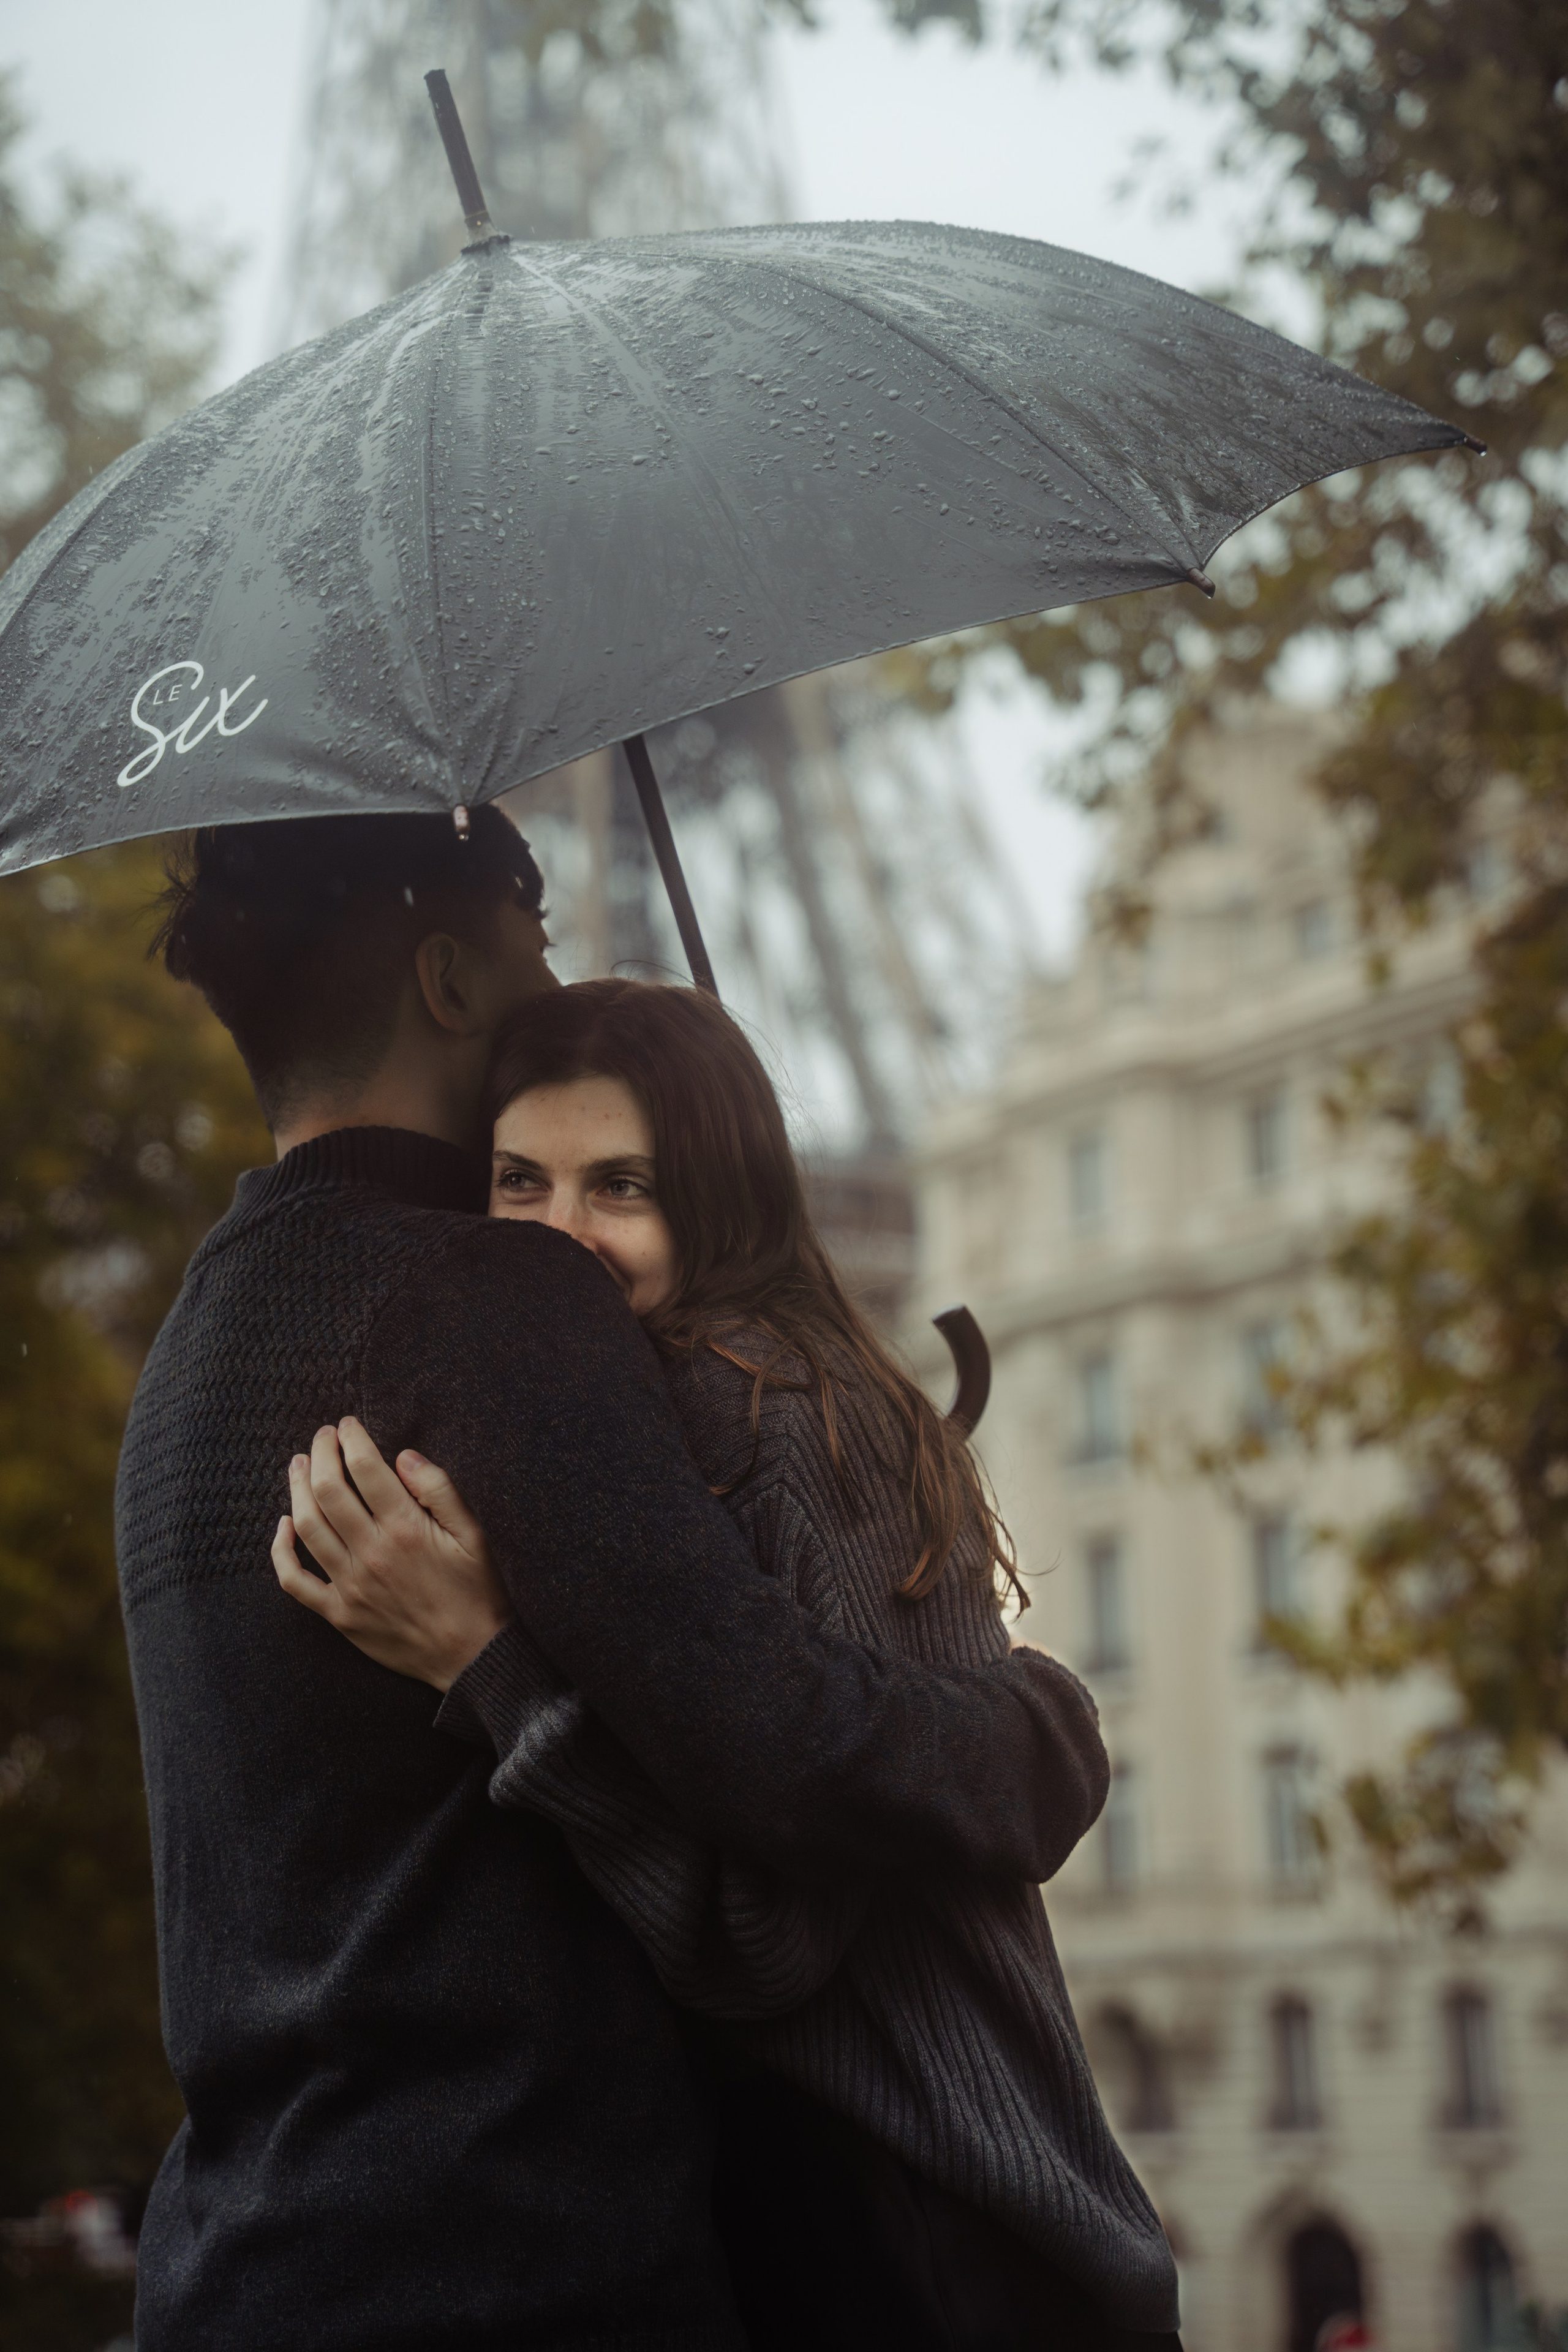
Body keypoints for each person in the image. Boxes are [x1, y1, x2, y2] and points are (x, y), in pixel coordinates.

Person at [118, 808, 1126, 2352]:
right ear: (450, 979)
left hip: (239, 2267)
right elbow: (780, 1745)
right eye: (528, 924)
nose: (552, 957)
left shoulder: (185, 1360)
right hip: (514, 2264)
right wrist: (1042, 1725)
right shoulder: (491, 1298)